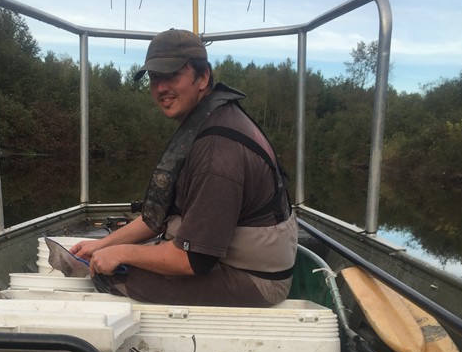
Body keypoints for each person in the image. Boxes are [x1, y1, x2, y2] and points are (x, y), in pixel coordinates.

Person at [53, 28, 298, 307]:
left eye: (172, 75)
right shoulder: (210, 119)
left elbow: (194, 259)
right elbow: (155, 218)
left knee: (111, 274)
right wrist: (102, 245)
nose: (160, 88)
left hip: (256, 280)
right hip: (229, 262)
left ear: (203, 77)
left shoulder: (218, 149)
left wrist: (120, 254)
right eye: (154, 78)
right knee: (112, 258)